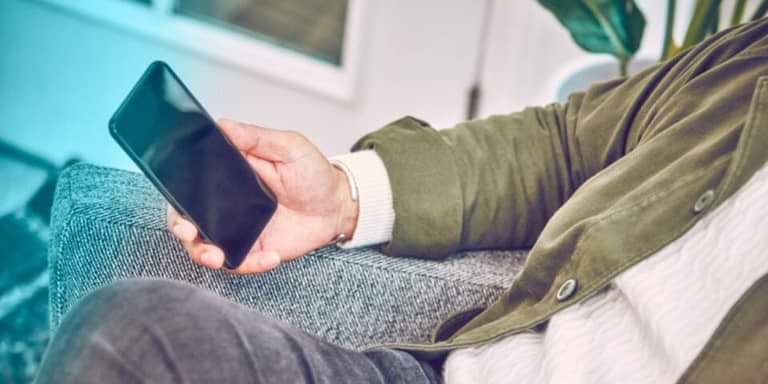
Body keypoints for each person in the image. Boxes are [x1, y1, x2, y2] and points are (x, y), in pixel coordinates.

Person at [36, 17, 768, 384]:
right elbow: (569, 142)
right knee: (135, 331)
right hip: (465, 368)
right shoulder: (749, 57)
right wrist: (346, 197)